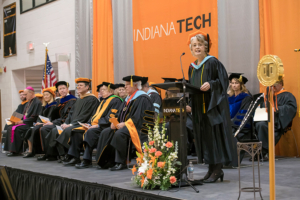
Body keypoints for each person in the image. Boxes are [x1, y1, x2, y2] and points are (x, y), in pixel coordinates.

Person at [187, 31, 233, 183]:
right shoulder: (192, 67)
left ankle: (218, 169)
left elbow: (223, 82)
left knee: (214, 137)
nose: (197, 48)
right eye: (194, 45)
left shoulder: (212, 62)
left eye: (200, 45)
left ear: (205, 47)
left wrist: (211, 84)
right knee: (205, 139)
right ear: (191, 48)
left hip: (213, 108)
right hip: (199, 109)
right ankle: (211, 169)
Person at [96, 75, 154, 171]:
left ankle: (121, 162)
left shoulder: (142, 98)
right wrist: (114, 122)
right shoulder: (128, 99)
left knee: (120, 133)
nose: (125, 87)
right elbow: (119, 113)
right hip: (126, 125)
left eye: (127, 85)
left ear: (135, 85)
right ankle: (107, 161)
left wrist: (125, 124)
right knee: (106, 131)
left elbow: (139, 117)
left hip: (139, 127)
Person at [62, 82, 123, 167]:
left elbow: (111, 117)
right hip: (95, 126)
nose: (101, 92)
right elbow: (94, 115)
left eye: (104, 90)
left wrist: (97, 125)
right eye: (101, 90)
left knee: (90, 132)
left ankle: (87, 160)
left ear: (111, 91)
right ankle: (74, 157)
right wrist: (89, 123)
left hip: (105, 127)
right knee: (75, 131)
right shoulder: (103, 101)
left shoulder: (115, 100)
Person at [54, 78, 100, 161]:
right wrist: (66, 123)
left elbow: (85, 115)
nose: (78, 87)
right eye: (78, 85)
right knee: (56, 130)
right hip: (73, 123)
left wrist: (70, 124)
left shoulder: (92, 99)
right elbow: (70, 113)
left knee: (70, 130)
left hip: (83, 123)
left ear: (87, 87)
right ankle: (64, 154)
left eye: (81, 85)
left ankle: (72, 156)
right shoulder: (79, 100)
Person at [255, 80, 297, 160]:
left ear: (281, 84)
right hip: (265, 119)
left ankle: (264, 152)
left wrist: (276, 109)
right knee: (257, 124)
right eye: (270, 86)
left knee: (262, 125)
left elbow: (291, 108)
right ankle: (261, 151)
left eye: (274, 85)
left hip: (278, 121)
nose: (272, 87)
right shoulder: (268, 96)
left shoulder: (288, 95)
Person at [37, 81, 77, 161]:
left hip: (65, 123)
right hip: (58, 122)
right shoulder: (59, 101)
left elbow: (67, 116)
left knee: (45, 128)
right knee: (43, 127)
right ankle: (48, 153)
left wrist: (53, 123)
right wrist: (48, 121)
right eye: (60, 89)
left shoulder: (72, 100)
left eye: (63, 88)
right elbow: (54, 115)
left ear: (67, 89)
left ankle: (53, 154)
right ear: (58, 91)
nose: (62, 90)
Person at [4, 87, 42, 156]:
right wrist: (14, 120)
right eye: (23, 94)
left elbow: (35, 117)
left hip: (30, 123)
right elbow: (21, 114)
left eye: (25, 94)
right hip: (25, 122)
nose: (24, 96)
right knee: (9, 127)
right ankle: (11, 150)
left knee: (17, 129)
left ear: (31, 93)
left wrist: (23, 121)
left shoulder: (37, 102)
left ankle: (18, 151)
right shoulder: (28, 102)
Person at [23, 87, 59, 158]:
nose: (45, 97)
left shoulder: (55, 106)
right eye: (44, 95)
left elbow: (52, 119)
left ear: (51, 96)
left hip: (51, 124)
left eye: (47, 95)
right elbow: (40, 116)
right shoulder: (44, 106)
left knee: (36, 129)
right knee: (31, 129)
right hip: (43, 124)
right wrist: (39, 122)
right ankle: (32, 151)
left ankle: (44, 152)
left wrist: (42, 123)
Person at [227, 73, 252, 166]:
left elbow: (243, 114)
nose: (234, 85)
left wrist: (231, 122)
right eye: (232, 83)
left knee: (229, 131)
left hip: (241, 125)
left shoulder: (246, 97)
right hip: (230, 123)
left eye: (236, 83)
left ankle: (232, 161)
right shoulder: (229, 97)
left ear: (241, 85)